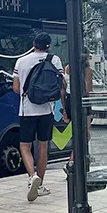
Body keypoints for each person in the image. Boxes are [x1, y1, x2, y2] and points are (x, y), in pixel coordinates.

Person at [13, 32, 66, 202]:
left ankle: (32, 176)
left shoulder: (21, 61)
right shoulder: (54, 60)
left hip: (27, 110)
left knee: (25, 146)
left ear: (34, 43)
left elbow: (16, 88)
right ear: (49, 46)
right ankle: (40, 184)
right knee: (43, 146)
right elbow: (61, 84)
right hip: (47, 110)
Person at [64, 52, 93, 148]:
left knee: (74, 129)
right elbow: (88, 88)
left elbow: (64, 86)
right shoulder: (87, 70)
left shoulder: (68, 68)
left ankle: (75, 151)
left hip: (69, 99)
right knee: (86, 129)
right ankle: (82, 151)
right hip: (83, 99)